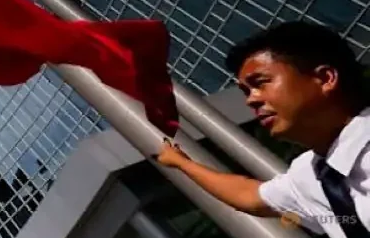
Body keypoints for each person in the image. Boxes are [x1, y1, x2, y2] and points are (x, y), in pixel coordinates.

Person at [156, 20, 370, 237]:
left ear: (325, 79)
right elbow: (249, 196)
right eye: (246, 91)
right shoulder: (311, 174)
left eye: (260, 82)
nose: (251, 100)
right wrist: (181, 162)